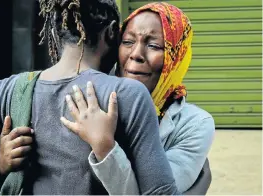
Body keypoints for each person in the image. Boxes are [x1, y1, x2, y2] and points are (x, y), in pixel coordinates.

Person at [0, 0, 179, 194]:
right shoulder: (129, 96)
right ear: (112, 32)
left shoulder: (7, 91)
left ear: (57, 30)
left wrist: (3, 167)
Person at [61, 2, 215, 194]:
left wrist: (105, 148)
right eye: (127, 42)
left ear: (177, 57)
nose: (136, 54)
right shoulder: (88, 100)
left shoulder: (195, 124)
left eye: (153, 45)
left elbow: (158, 191)